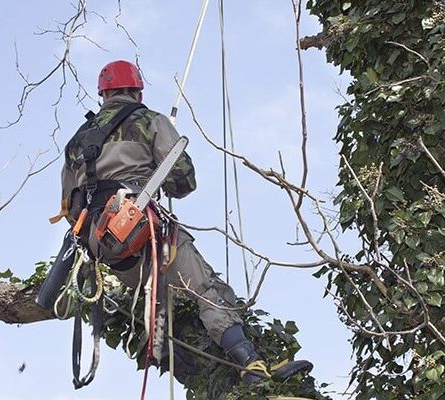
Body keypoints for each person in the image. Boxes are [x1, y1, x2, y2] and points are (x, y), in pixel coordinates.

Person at [53, 60, 312, 384]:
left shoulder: (76, 143)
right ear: (137, 90)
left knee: (164, 304)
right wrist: (152, 174)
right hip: (140, 228)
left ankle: (170, 354)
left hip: (105, 248)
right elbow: (183, 180)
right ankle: (251, 365)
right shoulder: (149, 121)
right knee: (207, 289)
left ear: (103, 94)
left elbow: (69, 204)